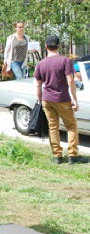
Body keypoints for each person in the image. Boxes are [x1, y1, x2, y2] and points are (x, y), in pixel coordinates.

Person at [34, 36, 87, 164]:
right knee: (71, 126)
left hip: (47, 99)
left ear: (46, 47)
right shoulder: (65, 61)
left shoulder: (41, 64)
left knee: (53, 127)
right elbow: (70, 81)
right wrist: (74, 99)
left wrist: (39, 100)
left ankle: (57, 156)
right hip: (62, 99)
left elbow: (38, 85)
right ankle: (72, 156)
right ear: (58, 46)